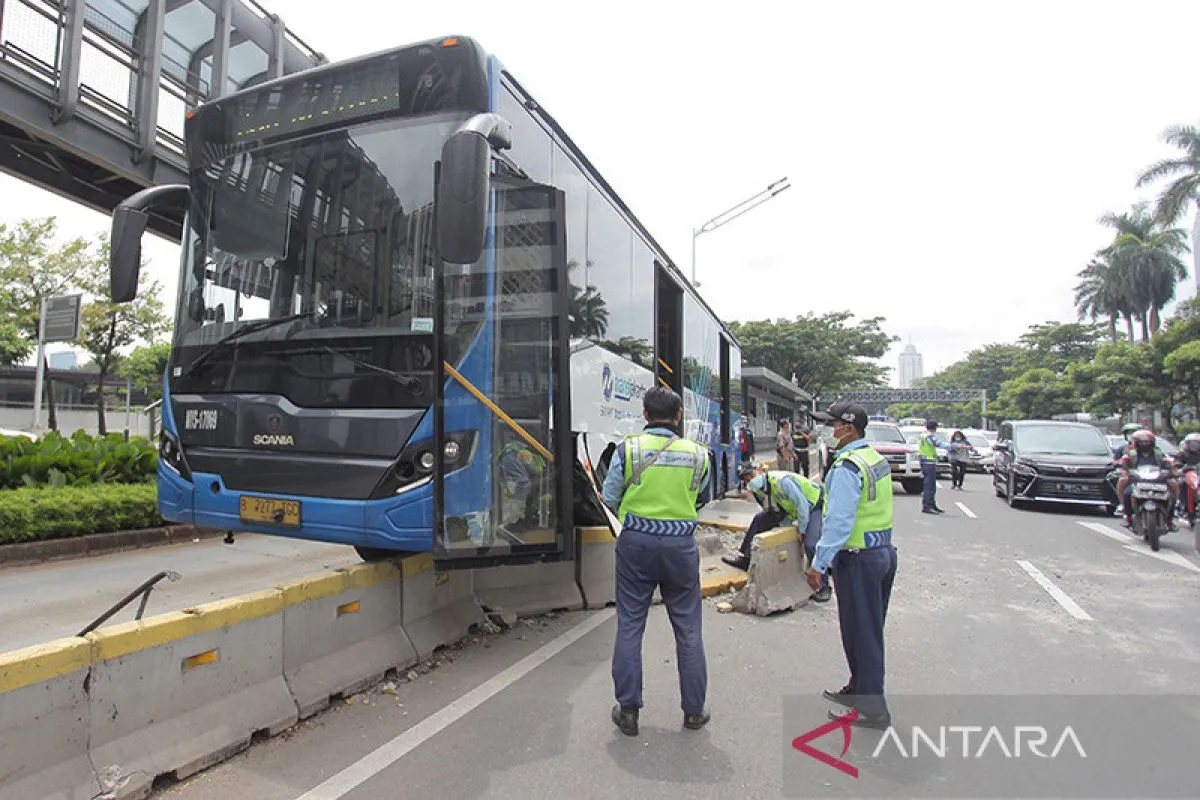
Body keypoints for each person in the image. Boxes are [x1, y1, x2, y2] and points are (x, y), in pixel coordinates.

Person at [601, 386, 711, 737]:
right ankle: (693, 712)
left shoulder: (628, 449)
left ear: (645, 415)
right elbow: (702, 497)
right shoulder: (699, 453)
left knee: (631, 624)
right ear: (679, 416)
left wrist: (637, 520)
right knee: (689, 628)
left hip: (636, 544)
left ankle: (629, 710)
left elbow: (608, 495)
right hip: (681, 545)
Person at [805, 399, 897, 729]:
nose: (829, 431)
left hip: (858, 558)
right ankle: (858, 688)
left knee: (863, 633)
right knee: (863, 630)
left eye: (833, 425)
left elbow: (838, 522)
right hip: (882, 552)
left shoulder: (847, 468)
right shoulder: (873, 458)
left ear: (849, 428)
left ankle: (874, 709)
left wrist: (818, 564)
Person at [721, 464, 831, 602]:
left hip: (814, 505)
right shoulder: (760, 490)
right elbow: (774, 512)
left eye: (750, 476)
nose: (749, 480)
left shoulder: (782, 482)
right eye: (746, 479)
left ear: (759, 471)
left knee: (811, 544)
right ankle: (746, 559)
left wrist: (801, 531)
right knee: (760, 519)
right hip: (794, 511)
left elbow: (802, 506)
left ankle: (824, 586)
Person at [1116, 429, 1178, 530]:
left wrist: (1170, 470)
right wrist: (1124, 470)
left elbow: (1168, 464)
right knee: (1127, 493)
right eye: (1142, 442)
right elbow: (1123, 464)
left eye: (1147, 441)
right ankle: (1127, 516)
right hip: (1138, 481)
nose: (1144, 444)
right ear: (1137, 443)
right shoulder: (1131, 454)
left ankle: (1170, 519)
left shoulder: (1159, 454)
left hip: (1158, 482)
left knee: (1171, 491)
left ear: (1152, 442)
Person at [918, 420, 946, 513]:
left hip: (925, 461)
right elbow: (937, 443)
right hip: (928, 463)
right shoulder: (929, 436)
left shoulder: (923, 435)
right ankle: (927, 506)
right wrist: (951, 446)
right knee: (929, 486)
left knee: (931, 485)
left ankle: (931, 504)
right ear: (934, 428)